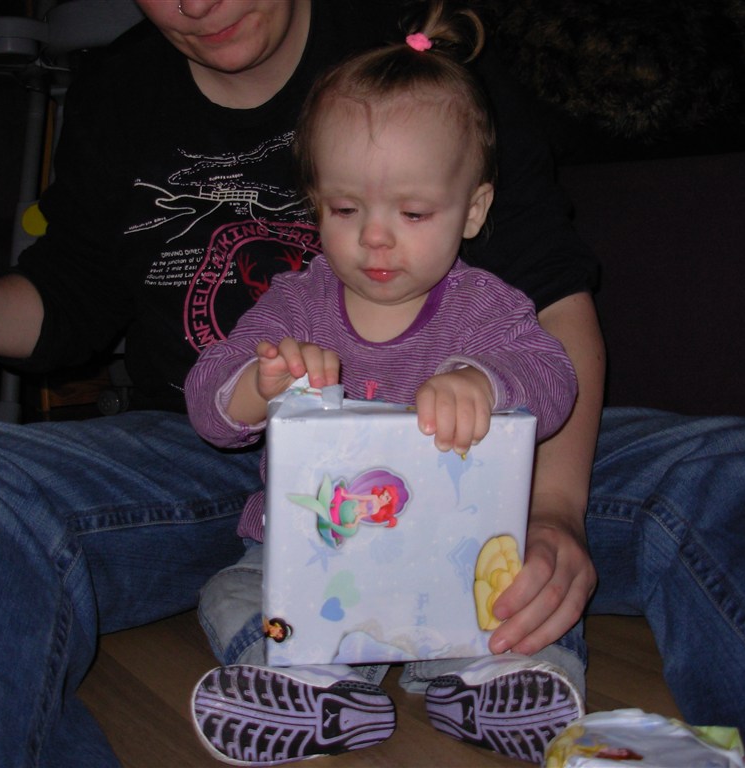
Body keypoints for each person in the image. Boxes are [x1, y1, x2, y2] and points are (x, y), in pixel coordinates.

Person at [0, 1, 745, 767]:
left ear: (466, 209)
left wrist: (553, 507)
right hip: (237, 471)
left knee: (743, 467)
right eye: (344, 210)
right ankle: (300, 684)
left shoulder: (427, 49)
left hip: (477, 464)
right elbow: (74, 306)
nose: (195, 4)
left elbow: (549, 332)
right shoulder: (138, 114)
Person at [185, 9, 582, 763]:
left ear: (473, 210)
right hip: (303, 559)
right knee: (230, 593)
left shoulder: (485, 308)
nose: (374, 236)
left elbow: (555, 378)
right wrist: (257, 386)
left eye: (413, 212)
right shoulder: (295, 305)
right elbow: (206, 402)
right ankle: (314, 690)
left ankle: (497, 685)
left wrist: (486, 379)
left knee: (527, 595)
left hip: (452, 555)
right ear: (315, 205)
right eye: (345, 209)